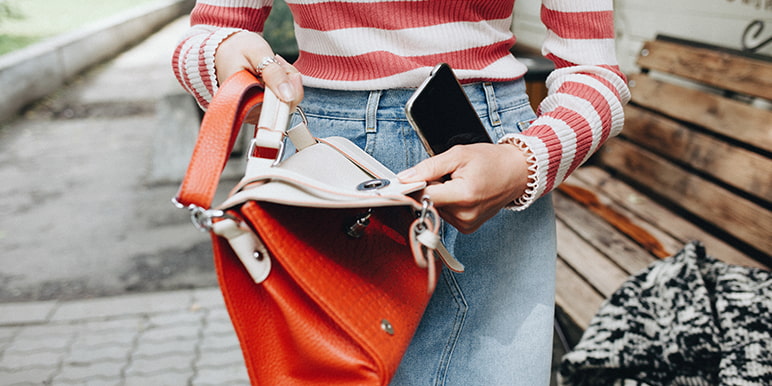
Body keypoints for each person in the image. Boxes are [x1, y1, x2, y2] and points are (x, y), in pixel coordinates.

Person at [173, 1, 630, 384]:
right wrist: (225, 54)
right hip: (324, 165)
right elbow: (207, 38)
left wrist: (524, 162)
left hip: (493, 166)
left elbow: (596, 72)